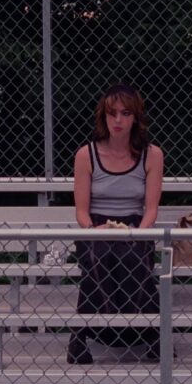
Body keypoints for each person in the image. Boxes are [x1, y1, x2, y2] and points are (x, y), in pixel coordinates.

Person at [67, 84, 164, 365]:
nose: (118, 121)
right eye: (112, 114)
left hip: (134, 224)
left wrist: (139, 232)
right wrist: (91, 230)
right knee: (98, 257)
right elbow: (82, 212)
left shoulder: (152, 155)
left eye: (125, 113)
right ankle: (88, 333)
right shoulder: (86, 155)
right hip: (97, 224)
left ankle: (148, 332)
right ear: (103, 117)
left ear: (136, 118)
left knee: (132, 258)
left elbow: (151, 209)